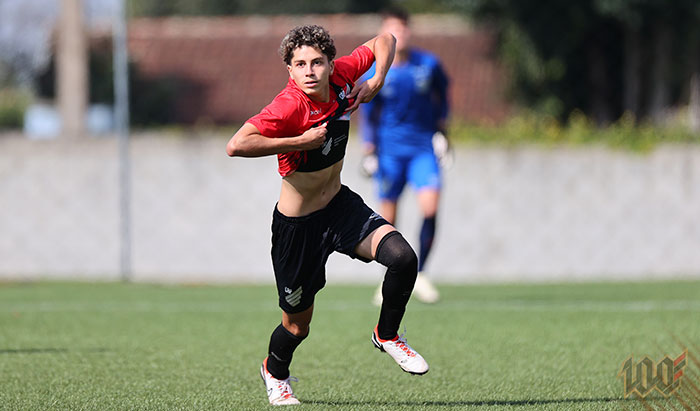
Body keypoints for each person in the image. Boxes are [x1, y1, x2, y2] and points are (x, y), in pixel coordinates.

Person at [226, 25, 429, 406]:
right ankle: (275, 372)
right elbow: (237, 144)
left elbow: (385, 39)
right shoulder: (288, 106)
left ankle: (387, 335)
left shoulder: (342, 78)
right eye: (300, 64)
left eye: (317, 62)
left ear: (331, 64)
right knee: (296, 326)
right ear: (289, 70)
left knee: (403, 258)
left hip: (339, 207)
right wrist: (299, 141)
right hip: (298, 227)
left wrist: (377, 79)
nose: (309, 71)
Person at [359, 7, 450, 305]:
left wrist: (443, 133)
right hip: (390, 154)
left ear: (409, 31)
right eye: (391, 29)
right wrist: (369, 149)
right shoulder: (376, 73)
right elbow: (367, 114)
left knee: (430, 208)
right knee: (388, 218)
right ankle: (390, 278)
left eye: (402, 28)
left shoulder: (428, 64)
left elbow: (443, 98)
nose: (398, 34)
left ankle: (421, 274)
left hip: (422, 150)